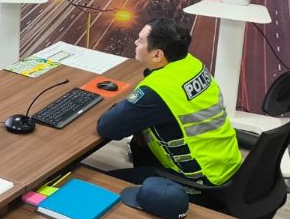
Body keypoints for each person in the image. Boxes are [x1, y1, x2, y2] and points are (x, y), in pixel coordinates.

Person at [96, 18, 242, 202]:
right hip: (225, 163)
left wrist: (122, 108)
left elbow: (107, 128)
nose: (135, 42)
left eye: (141, 40)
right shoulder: (192, 63)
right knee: (139, 142)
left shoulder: (158, 90)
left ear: (157, 55)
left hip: (201, 181)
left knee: (99, 183)